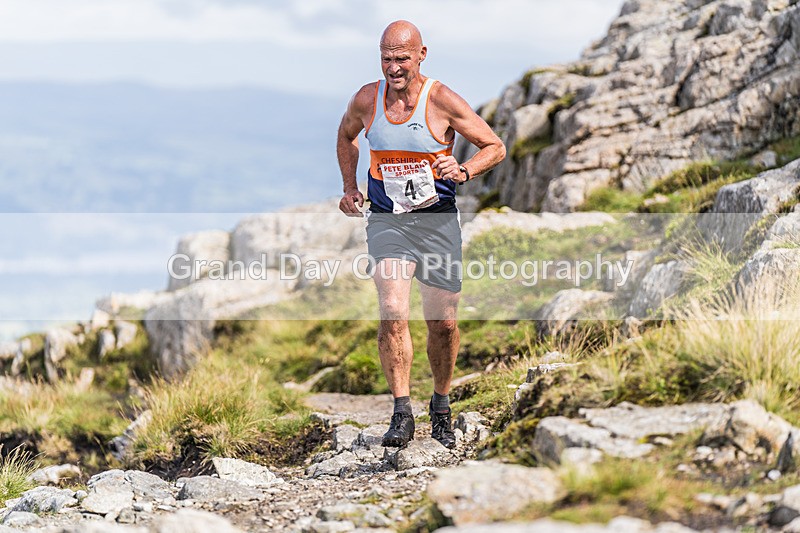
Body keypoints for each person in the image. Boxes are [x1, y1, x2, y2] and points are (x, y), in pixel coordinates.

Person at [336, 20, 506, 448]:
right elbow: (346, 135)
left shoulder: (441, 100)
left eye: (402, 59)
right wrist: (350, 186)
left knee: (443, 323)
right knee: (393, 308)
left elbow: (495, 146)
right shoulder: (366, 99)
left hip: (436, 221)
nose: (393, 68)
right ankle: (401, 412)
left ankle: (442, 404)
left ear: (421, 55)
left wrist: (464, 169)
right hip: (388, 219)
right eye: (386, 58)